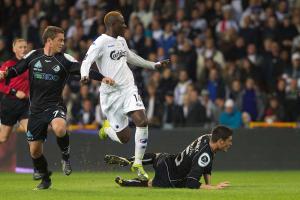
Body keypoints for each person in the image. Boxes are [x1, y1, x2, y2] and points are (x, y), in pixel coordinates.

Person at [0, 26, 113, 190]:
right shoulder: (33, 56)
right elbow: (17, 70)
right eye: (60, 40)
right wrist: (5, 74)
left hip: (55, 105)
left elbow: (84, 68)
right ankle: (45, 179)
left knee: (60, 128)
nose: (63, 43)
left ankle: (65, 157)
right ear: (49, 41)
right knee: (35, 151)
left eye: (63, 40)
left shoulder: (65, 59)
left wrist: (102, 78)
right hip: (36, 110)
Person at [80, 11, 169, 181]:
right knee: (124, 138)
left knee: (142, 121)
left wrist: (153, 65)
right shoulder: (100, 43)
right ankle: (107, 129)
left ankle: (138, 164)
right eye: (122, 23)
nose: (126, 26)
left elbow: (131, 57)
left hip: (128, 89)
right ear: (113, 25)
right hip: (110, 95)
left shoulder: (121, 41)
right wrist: (85, 75)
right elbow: (86, 61)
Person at [104, 125, 232, 189]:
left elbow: (206, 168)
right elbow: (191, 183)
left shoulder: (206, 138)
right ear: (220, 141)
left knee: (156, 156)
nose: (230, 144)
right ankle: (126, 182)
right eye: (229, 141)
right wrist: (213, 188)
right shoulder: (205, 156)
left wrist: (209, 185)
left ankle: (130, 160)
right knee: (150, 184)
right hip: (172, 177)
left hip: (169, 160)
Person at [0, 38, 42, 180]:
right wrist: (14, 92)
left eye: (25, 47)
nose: (23, 49)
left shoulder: (29, 64)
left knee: (32, 136)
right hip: (9, 105)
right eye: (20, 47)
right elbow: (0, 85)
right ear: (14, 49)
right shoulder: (8, 65)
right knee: (3, 137)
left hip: (25, 106)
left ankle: (37, 169)